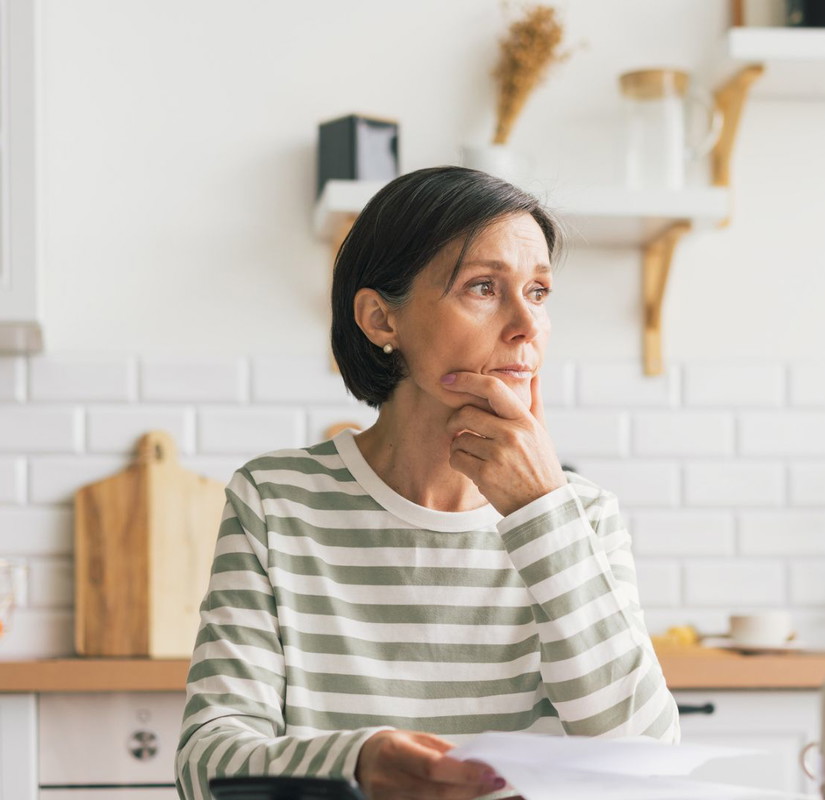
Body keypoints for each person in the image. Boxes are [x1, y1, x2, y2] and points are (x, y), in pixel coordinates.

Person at [174, 166, 680, 800]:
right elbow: (206, 766)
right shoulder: (275, 502)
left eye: (540, 291)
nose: (527, 325)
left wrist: (541, 512)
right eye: (483, 287)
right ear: (381, 320)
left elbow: (648, 772)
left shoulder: (583, 517)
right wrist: (355, 762)